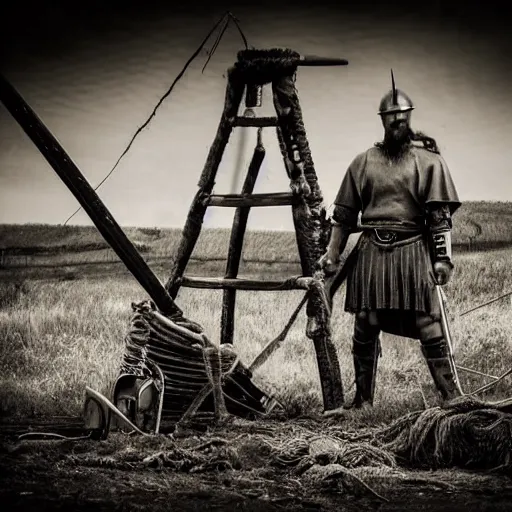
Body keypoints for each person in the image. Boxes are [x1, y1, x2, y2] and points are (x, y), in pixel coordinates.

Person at [319, 71, 462, 409]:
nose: (397, 122)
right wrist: (332, 254)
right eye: (391, 118)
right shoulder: (363, 162)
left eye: (402, 117)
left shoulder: (428, 162)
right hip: (371, 251)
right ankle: (363, 400)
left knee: (427, 321)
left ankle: (451, 397)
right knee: (366, 321)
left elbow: (439, 218)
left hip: (413, 250)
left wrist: (442, 259)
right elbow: (343, 217)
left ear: (409, 118)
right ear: (383, 120)